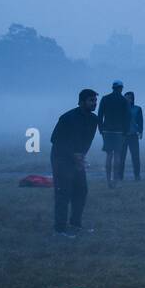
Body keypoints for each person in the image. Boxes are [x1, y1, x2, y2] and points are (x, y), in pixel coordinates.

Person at [50, 89, 99, 236]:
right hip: (61, 159)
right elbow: (55, 140)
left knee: (81, 190)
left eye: (95, 101)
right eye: (91, 100)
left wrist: (81, 157)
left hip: (78, 160)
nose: (94, 103)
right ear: (81, 102)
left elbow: (87, 141)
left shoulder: (93, 120)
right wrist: (72, 154)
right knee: (63, 192)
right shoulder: (67, 118)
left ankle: (75, 224)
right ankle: (60, 229)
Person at [97, 80, 130, 188]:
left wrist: (101, 128)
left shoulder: (105, 99)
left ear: (112, 88)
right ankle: (115, 180)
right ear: (121, 88)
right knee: (117, 155)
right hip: (119, 131)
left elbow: (100, 114)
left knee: (108, 155)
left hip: (107, 130)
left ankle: (108, 181)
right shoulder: (124, 100)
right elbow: (127, 117)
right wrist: (126, 131)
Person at [124, 91, 143, 181]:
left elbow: (140, 121)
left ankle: (137, 175)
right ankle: (120, 176)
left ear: (132, 99)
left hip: (133, 135)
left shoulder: (137, 109)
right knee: (121, 156)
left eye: (129, 98)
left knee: (135, 156)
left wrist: (140, 131)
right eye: (126, 98)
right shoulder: (121, 109)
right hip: (123, 136)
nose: (127, 99)